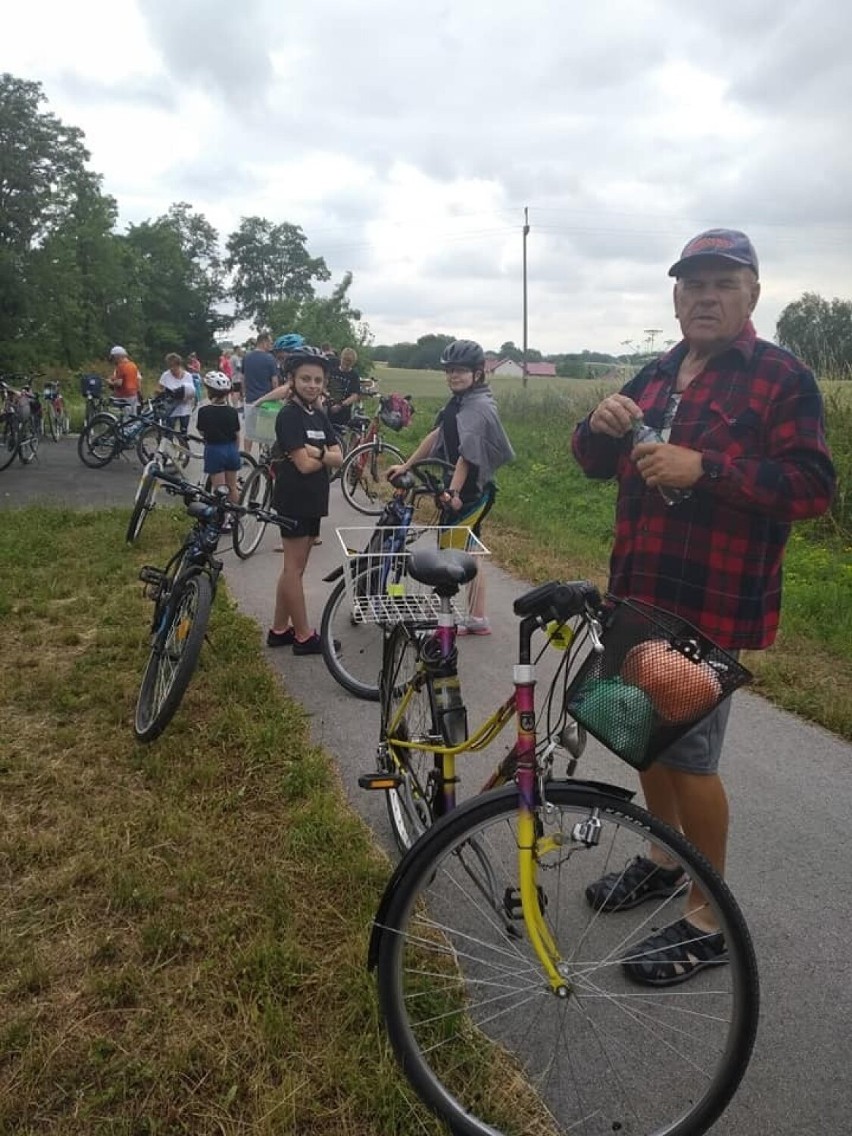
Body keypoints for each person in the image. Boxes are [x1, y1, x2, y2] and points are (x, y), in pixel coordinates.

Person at [572, 228, 836, 986]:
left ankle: (707, 915)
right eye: (692, 285)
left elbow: (813, 488)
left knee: (688, 757)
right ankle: (662, 855)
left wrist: (707, 466)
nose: (705, 297)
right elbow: (592, 463)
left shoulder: (780, 378)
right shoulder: (656, 374)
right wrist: (596, 425)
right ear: (675, 295)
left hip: (708, 605)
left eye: (723, 283)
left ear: (753, 292)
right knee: (638, 734)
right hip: (636, 592)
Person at [386, 339, 515, 635]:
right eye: (449, 371)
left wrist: (453, 493)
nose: (453, 376)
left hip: (471, 493)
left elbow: (467, 457)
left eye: (460, 371)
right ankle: (478, 618)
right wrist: (406, 465)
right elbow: (437, 436)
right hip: (462, 489)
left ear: (477, 373)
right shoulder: (459, 402)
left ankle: (447, 621)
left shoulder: (478, 407)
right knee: (469, 552)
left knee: (450, 554)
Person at [266, 347, 343, 654]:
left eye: (317, 380)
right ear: (292, 380)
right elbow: (303, 465)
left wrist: (318, 452)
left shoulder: (318, 415)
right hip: (294, 499)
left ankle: (279, 629)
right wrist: (321, 456)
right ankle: (303, 636)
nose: (312, 385)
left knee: (294, 570)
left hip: (314, 500)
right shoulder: (289, 416)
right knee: (293, 569)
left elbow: (340, 457)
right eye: (305, 379)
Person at [196, 371, 241, 523]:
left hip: (215, 449)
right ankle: (235, 515)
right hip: (231, 449)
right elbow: (237, 434)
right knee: (232, 486)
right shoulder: (232, 411)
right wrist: (236, 450)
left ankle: (223, 519)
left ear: (209, 392)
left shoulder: (204, 411)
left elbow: (202, 431)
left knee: (220, 488)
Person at [241, 333, 279, 453]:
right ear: (264, 342)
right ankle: (264, 455)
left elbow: (243, 378)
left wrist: (244, 393)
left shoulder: (246, 357)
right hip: (267, 401)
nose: (271, 345)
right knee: (266, 433)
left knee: (249, 432)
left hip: (250, 399)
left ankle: (247, 456)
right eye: (270, 342)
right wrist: (276, 397)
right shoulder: (270, 358)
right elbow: (274, 381)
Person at [155, 353, 195, 434]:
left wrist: (184, 394)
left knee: (184, 434)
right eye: (170, 366)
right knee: (169, 433)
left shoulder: (188, 376)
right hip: (170, 410)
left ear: (179, 365)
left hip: (185, 409)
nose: (171, 369)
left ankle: (183, 446)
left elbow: (192, 392)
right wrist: (165, 393)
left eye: (173, 366)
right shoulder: (166, 375)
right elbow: (157, 389)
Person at [325, 346, 361, 430]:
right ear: (341, 358)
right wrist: (327, 399)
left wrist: (340, 405)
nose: (346, 364)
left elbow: (355, 395)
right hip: (327, 408)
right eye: (345, 360)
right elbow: (324, 386)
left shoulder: (354, 375)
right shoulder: (332, 371)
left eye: (349, 362)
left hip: (343, 413)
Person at [107, 346, 141, 418]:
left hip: (123, 396)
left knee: (123, 418)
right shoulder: (133, 365)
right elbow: (136, 380)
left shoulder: (121, 366)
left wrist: (110, 382)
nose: (114, 361)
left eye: (113, 358)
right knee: (132, 418)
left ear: (117, 356)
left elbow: (119, 383)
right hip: (133, 395)